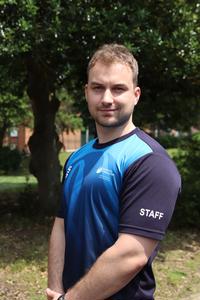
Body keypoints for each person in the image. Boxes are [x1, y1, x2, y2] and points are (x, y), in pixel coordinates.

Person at [46, 43, 181, 300]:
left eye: (118, 89)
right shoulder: (76, 158)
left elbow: (131, 254)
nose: (107, 98)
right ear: (86, 92)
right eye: (98, 88)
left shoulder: (150, 162)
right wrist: (55, 291)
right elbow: (60, 226)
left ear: (136, 94)